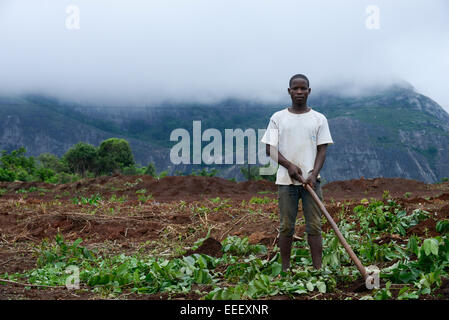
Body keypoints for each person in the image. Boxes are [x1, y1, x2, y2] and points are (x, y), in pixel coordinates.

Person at [261, 74, 333, 272]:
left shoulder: (319, 119)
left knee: (315, 227)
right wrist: (289, 166)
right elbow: (270, 148)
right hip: (286, 182)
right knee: (286, 227)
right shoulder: (278, 118)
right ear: (289, 91)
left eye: (303, 89)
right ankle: (285, 269)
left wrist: (313, 174)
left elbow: (322, 149)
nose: (299, 92)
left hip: (311, 182)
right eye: (295, 88)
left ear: (309, 91)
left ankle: (318, 269)